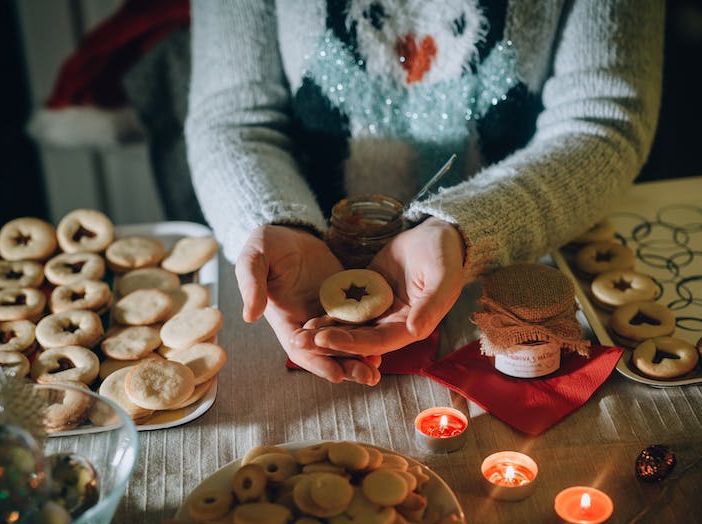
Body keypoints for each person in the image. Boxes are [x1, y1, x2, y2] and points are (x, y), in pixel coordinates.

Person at [185, 0, 664, 385]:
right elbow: (234, 119)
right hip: (297, 284)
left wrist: (463, 230)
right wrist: (274, 220)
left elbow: (603, 120)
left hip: (516, 280)